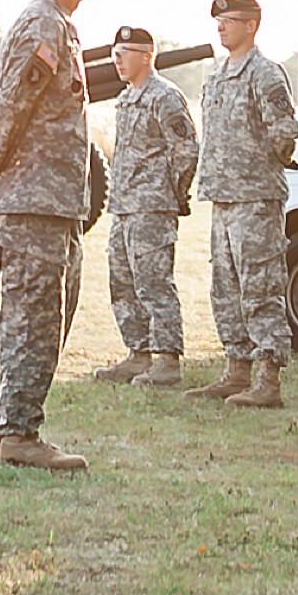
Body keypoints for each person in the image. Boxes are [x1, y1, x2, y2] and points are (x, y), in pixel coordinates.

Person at [0, 0, 99, 472]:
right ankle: (20, 433)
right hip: (31, 200)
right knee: (33, 319)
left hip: (53, 201)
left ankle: (7, 421)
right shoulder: (42, 25)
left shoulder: (60, 26)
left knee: (48, 315)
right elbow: (10, 107)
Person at [184, 0, 298, 409]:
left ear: (251, 25)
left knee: (260, 287)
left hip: (255, 199)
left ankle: (267, 378)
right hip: (222, 198)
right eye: (218, 20)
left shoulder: (265, 74)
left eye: (229, 20)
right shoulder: (216, 77)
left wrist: (260, 165)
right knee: (226, 287)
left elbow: (284, 130)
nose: (221, 27)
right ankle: (236, 370)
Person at [93, 25, 199, 388]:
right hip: (123, 206)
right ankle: (138, 354)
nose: (116, 61)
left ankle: (167, 360)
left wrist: (170, 194)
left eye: (124, 54)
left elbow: (185, 151)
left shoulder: (164, 97)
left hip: (152, 207)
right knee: (123, 283)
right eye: (114, 54)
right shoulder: (126, 99)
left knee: (154, 283)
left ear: (146, 56)